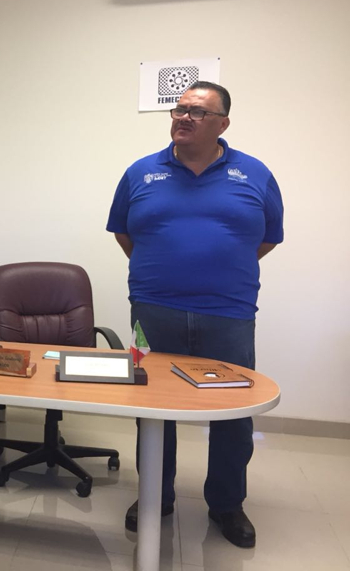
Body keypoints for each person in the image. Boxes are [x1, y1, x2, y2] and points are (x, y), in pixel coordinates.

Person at [106, 81, 283, 548]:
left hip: (229, 313)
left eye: (198, 112)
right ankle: (155, 496)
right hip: (153, 311)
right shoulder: (141, 173)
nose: (183, 117)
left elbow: (267, 239)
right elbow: (125, 234)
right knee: (152, 406)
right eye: (179, 108)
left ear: (223, 123)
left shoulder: (256, 174)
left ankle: (227, 503)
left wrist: (216, 268)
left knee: (232, 412)